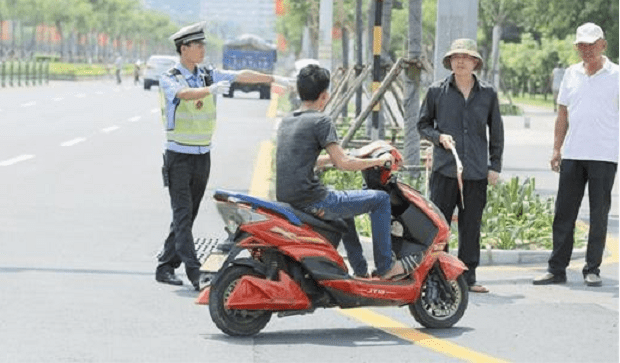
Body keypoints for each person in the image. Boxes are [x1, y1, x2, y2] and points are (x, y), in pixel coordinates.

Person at [155, 21, 290, 290]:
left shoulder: (205, 73)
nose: (203, 48)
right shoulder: (171, 76)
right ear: (184, 49)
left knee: (187, 214)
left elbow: (239, 75)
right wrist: (209, 91)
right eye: (198, 45)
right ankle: (195, 274)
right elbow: (182, 95)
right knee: (183, 215)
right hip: (178, 157)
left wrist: (273, 79)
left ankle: (165, 265)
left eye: (204, 44)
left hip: (202, 155)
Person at [276, 64, 406, 280]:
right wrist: (378, 161)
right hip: (313, 201)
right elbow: (343, 163)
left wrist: (359, 154)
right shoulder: (321, 121)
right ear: (325, 95)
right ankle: (385, 267)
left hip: (289, 198)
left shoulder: (288, 121)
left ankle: (361, 271)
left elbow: (310, 159)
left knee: (345, 207)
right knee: (381, 199)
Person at [533, 23, 619, 287]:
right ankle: (556, 268)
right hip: (573, 153)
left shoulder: (616, 74)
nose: (587, 50)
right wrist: (556, 148)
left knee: (599, 213)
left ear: (603, 44)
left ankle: (592, 268)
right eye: (582, 45)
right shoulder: (571, 74)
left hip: (604, 154)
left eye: (592, 44)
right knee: (564, 213)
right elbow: (562, 115)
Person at [417, 38, 504, 294]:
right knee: (440, 225)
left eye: (466, 57)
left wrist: (494, 166)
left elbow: (496, 132)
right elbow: (422, 125)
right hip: (445, 170)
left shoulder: (488, 94)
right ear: (450, 62)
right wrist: (438, 137)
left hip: (476, 171)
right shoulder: (436, 92)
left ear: (475, 62)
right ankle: (439, 274)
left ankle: (468, 276)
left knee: (471, 225)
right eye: (456, 57)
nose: (461, 61)